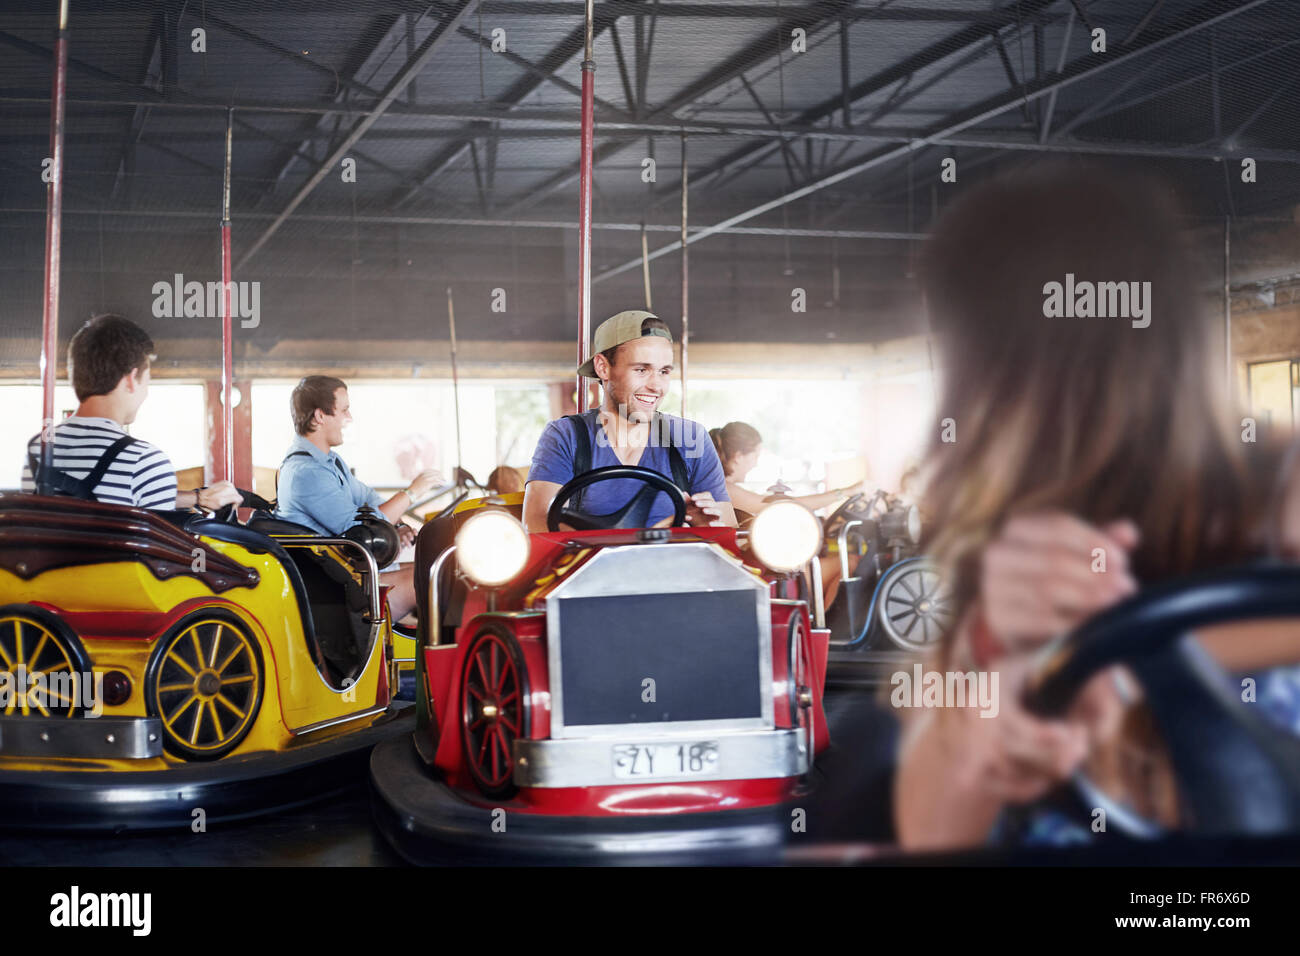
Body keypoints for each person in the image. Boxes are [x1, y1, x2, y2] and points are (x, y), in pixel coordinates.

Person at [892, 163, 1300, 850]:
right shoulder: (1008, 553)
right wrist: (997, 693)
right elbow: (931, 836)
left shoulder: (1282, 484)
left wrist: (1115, 656)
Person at [522, 310, 736, 532]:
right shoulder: (566, 435)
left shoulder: (691, 438)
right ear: (603, 367)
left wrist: (705, 527)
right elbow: (538, 527)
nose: (656, 386)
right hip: (591, 566)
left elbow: (728, 531)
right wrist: (659, 530)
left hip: (673, 566)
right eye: (641, 369)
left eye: (663, 371)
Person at [21, 313, 240, 512]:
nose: (146, 392)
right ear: (131, 380)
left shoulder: (37, 449)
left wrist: (197, 497)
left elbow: (79, 504)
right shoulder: (146, 461)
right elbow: (161, 550)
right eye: (147, 380)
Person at [275, 375, 441, 620]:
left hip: (345, 570)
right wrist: (411, 492)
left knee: (439, 568)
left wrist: (398, 524)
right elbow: (362, 531)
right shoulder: (306, 473)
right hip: (332, 588)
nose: (349, 418)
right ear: (320, 416)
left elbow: (368, 498)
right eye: (344, 410)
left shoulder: (329, 462)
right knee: (433, 579)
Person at [710, 421, 864, 516]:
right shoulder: (724, 489)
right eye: (755, 456)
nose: (756, 463)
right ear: (738, 457)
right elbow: (782, 505)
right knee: (850, 562)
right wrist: (846, 492)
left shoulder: (724, 488)